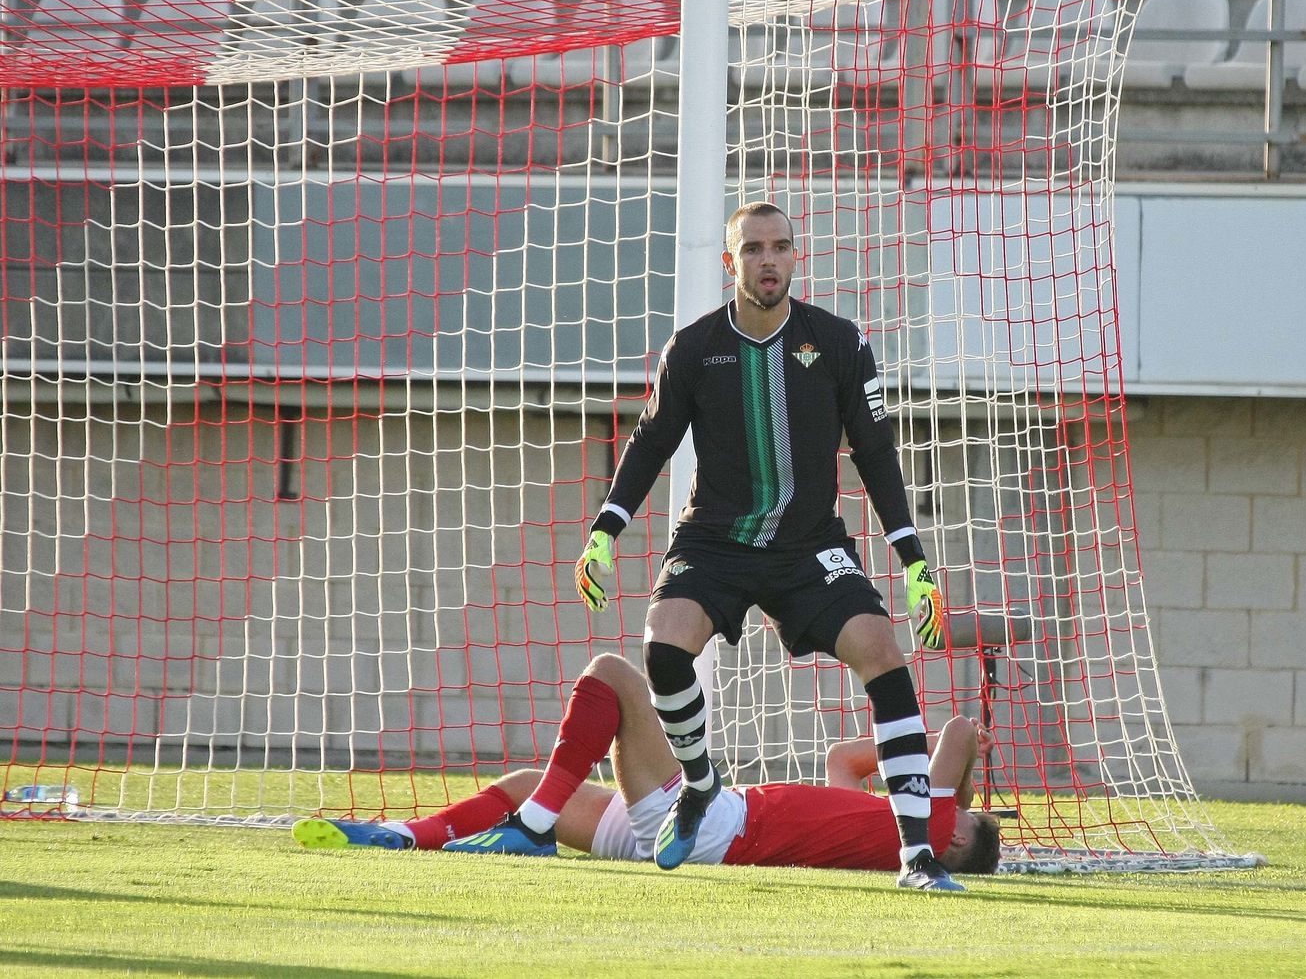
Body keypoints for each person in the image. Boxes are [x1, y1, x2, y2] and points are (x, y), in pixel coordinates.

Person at [570, 202, 960, 889]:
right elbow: (651, 442)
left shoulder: (838, 343)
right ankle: (699, 783)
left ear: (795, 256)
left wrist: (914, 560)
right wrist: (605, 530)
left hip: (807, 546)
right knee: (663, 647)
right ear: (732, 263)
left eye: (780, 246)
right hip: (715, 539)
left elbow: (875, 453)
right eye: (753, 249)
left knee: (882, 652)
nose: (768, 260)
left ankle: (917, 858)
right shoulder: (693, 349)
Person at [292, 653, 1003, 877]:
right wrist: (920, 780)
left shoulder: (936, 831)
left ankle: (531, 831)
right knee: (525, 786)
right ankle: (403, 837)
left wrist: (964, 777)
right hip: (684, 838)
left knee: (612, 675)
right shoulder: (893, 826)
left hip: (713, 827)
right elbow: (844, 759)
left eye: (967, 815)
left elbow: (957, 731)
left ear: (960, 838)